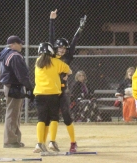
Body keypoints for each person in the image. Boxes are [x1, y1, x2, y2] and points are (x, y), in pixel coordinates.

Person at [45, 9, 86, 152]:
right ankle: (50, 141)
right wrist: (52, 20)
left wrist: (79, 30)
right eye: (59, 47)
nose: (61, 50)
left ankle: (73, 142)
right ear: (55, 48)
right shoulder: (50, 56)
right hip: (50, 90)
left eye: (64, 48)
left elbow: (74, 43)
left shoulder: (67, 58)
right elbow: (51, 37)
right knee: (51, 117)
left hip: (62, 89)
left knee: (67, 116)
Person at [33, 42, 72, 153]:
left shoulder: (37, 61)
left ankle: (40, 143)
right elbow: (69, 70)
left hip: (39, 94)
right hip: (53, 94)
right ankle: (52, 142)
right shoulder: (56, 62)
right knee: (54, 118)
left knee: (41, 119)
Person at [0, 35, 33, 148]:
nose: (21, 45)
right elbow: (21, 75)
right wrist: (29, 87)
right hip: (14, 86)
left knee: (15, 114)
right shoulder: (15, 56)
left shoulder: (5, 53)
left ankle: (15, 139)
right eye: (19, 43)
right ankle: (9, 141)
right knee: (12, 114)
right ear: (13, 44)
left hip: (9, 86)